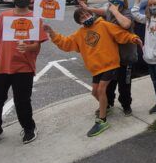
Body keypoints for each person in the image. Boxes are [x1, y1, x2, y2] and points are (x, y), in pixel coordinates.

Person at [44, 8, 142, 137]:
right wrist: (51, 32)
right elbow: (66, 43)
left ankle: (102, 120)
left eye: (86, 14)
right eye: (81, 17)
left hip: (110, 64)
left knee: (101, 90)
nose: (85, 17)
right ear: (79, 21)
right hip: (96, 68)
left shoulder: (104, 25)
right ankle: (106, 107)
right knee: (94, 92)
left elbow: (120, 34)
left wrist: (133, 38)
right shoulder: (79, 34)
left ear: (91, 14)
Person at [0, 0, 47, 151]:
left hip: (24, 67)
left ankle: (29, 127)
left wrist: (29, 48)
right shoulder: (4, 16)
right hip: (2, 66)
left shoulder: (36, 18)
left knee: (22, 101)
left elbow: (37, 46)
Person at [82, 0, 136, 116]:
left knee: (124, 86)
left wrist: (115, 11)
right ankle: (108, 104)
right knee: (109, 85)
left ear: (124, 1)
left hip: (125, 58)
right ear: (109, 0)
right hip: (111, 59)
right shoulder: (109, 12)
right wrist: (88, 9)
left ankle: (126, 105)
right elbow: (103, 12)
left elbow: (126, 24)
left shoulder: (127, 13)